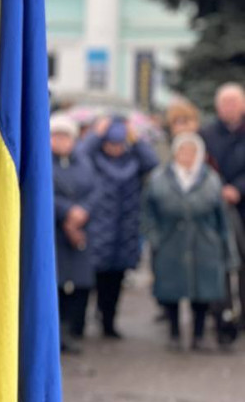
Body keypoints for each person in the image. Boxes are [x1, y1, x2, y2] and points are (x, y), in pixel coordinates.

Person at [144, 132, 239, 350]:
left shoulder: (211, 179)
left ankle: (198, 335)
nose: (187, 156)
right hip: (170, 241)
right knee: (171, 290)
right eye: (182, 151)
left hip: (204, 242)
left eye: (192, 152)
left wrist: (226, 249)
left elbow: (222, 218)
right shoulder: (159, 178)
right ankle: (175, 334)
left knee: (202, 291)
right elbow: (147, 213)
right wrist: (155, 237)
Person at [77, 117, 159, 339]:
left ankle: (108, 322)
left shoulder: (134, 161)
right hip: (98, 230)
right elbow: (81, 152)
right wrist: (96, 132)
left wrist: (137, 138)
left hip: (125, 232)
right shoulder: (93, 161)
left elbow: (153, 162)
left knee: (115, 282)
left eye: (119, 143)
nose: (114, 148)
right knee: (91, 281)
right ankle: (82, 323)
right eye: (110, 144)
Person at [200, 82, 245, 334]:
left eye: (234, 102)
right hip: (216, 205)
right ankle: (221, 315)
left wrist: (237, 188)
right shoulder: (207, 133)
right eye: (224, 103)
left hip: (242, 202)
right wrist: (219, 188)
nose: (229, 107)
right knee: (220, 263)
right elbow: (203, 165)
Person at [50, 113, 96, 353]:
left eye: (65, 136)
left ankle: (71, 330)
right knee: (54, 284)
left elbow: (95, 190)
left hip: (80, 234)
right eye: (56, 136)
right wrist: (67, 212)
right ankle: (54, 333)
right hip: (55, 233)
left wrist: (83, 212)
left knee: (78, 285)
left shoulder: (84, 163)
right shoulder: (43, 162)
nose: (61, 141)